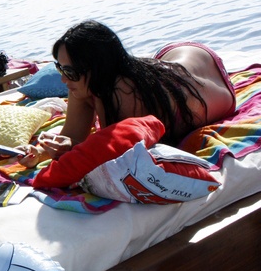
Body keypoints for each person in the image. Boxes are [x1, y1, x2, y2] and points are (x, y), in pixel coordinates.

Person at [18, 20, 237, 167]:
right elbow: (73, 137)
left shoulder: (123, 96)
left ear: (97, 67)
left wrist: (70, 149)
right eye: (60, 69)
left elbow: (108, 155)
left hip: (201, 63)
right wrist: (40, 153)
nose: (64, 79)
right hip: (175, 64)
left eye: (70, 71)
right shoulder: (89, 84)